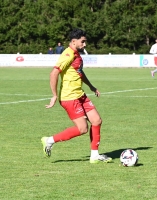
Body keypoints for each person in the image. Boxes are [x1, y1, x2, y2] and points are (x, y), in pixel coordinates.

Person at [41, 28, 112, 163]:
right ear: (74, 41)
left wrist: (91, 86)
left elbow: (79, 72)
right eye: (83, 42)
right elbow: (53, 73)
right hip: (69, 97)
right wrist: (54, 95)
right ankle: (49, 141)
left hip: (80, 95)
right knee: (82, 129)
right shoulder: (68, 54)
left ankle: (94, 155)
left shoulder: (76, 54)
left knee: (96, 121)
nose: (85, 45)